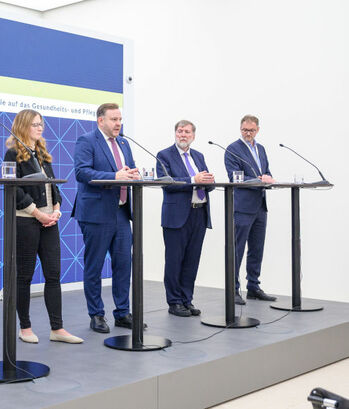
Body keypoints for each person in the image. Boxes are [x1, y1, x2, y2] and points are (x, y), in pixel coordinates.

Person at [3, 109, 83, 344]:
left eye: (41, 124)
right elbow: (13, 190)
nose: (39, 128)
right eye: (34, 124)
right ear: (22, 126)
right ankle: (25, 327)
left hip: (50, 221)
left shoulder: (41, 153)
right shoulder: (12, 154)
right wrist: (37, 213)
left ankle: (57, 328)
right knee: (25, 275)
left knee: (53, 274)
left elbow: (52, 186)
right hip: (26, 221)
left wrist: (57, 209)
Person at [72, 103, 144, 333]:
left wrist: (133, 174)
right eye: (114, 119)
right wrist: (115, 176)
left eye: (120, 119)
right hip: (96, 213)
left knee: (123, 264)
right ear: (100, 121)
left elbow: (128, 170)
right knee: (94, 265)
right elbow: (82, 172)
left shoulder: (123, 143)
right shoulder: (87, 141)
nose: (118, 124)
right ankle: (96, 314)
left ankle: (122, 313)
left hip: (121, 212)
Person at [156, 120, 214, 317]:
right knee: (174, 260)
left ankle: (186, 300)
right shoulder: (164, 155)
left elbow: (207, 183)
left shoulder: (199, 156)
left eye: (187, 132)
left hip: (199, 212)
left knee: (192, 260)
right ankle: (174, 302)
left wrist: (208, 181)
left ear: (193, 136)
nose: (183, 135)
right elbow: (166, 183)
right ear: (175, 134)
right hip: (177, 216)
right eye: (180, 131)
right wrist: (193, 180)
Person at [224, 114, 277, 305]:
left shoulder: (261, 149)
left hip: (260, 206)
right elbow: (234, 177)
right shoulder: (233, 149)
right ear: (240, 129)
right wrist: (259, 180)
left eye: (251, 130)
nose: (248, 133)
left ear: (258, 130)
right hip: (243, 206)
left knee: (257, 249)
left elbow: (267, 172)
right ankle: (233, 290)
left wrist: (268, 178)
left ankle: (253, 287)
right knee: (237, 249)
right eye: (245, 130)